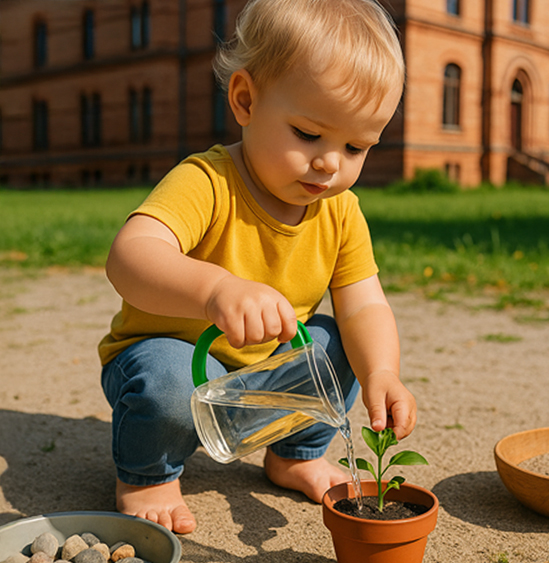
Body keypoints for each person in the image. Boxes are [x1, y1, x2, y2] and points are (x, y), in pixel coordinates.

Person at [98, 0, 414, 534]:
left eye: (357, 146)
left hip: (262, 372)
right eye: (309, 134)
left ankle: (296, 453)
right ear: (245, 100)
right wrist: (213, 289)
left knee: (337, 345)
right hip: (171, 360)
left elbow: (365, 303)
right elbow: (129, 257)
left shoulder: (339, 211)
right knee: (169, 381)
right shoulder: (208, 180)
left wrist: (382, 371)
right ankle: (147, 476)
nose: (330, 163)